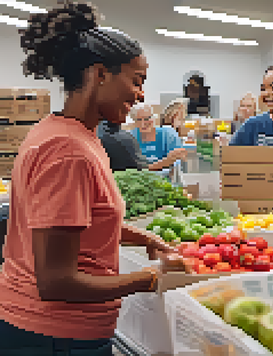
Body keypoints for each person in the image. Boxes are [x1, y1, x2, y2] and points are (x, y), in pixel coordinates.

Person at [0, 3, 182, 354]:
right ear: (100, 74)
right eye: (137, 80)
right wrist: (152, 278)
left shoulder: (69, 133)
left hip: (48, 331)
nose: (141, 94)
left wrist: (144, 238)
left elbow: (82, 219)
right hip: (52, 336)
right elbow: (55, 281)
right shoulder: (68, 150)